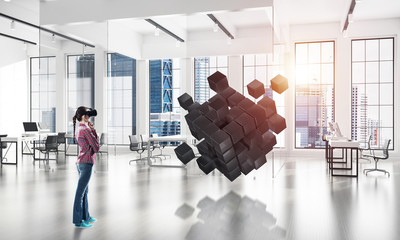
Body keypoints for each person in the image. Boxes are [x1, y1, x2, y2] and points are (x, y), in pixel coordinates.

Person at [72, 106, 100, 228]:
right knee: (80, 193)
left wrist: (92, 129)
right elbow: (96, 147)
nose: (89, 116)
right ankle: (78, 221)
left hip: (80, 162)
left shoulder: (79, 129)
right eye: (88, 115)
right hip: (87, 162)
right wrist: (93, 131)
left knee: (85, 191)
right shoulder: (85, 130)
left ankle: (86, 217)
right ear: (84, 116)